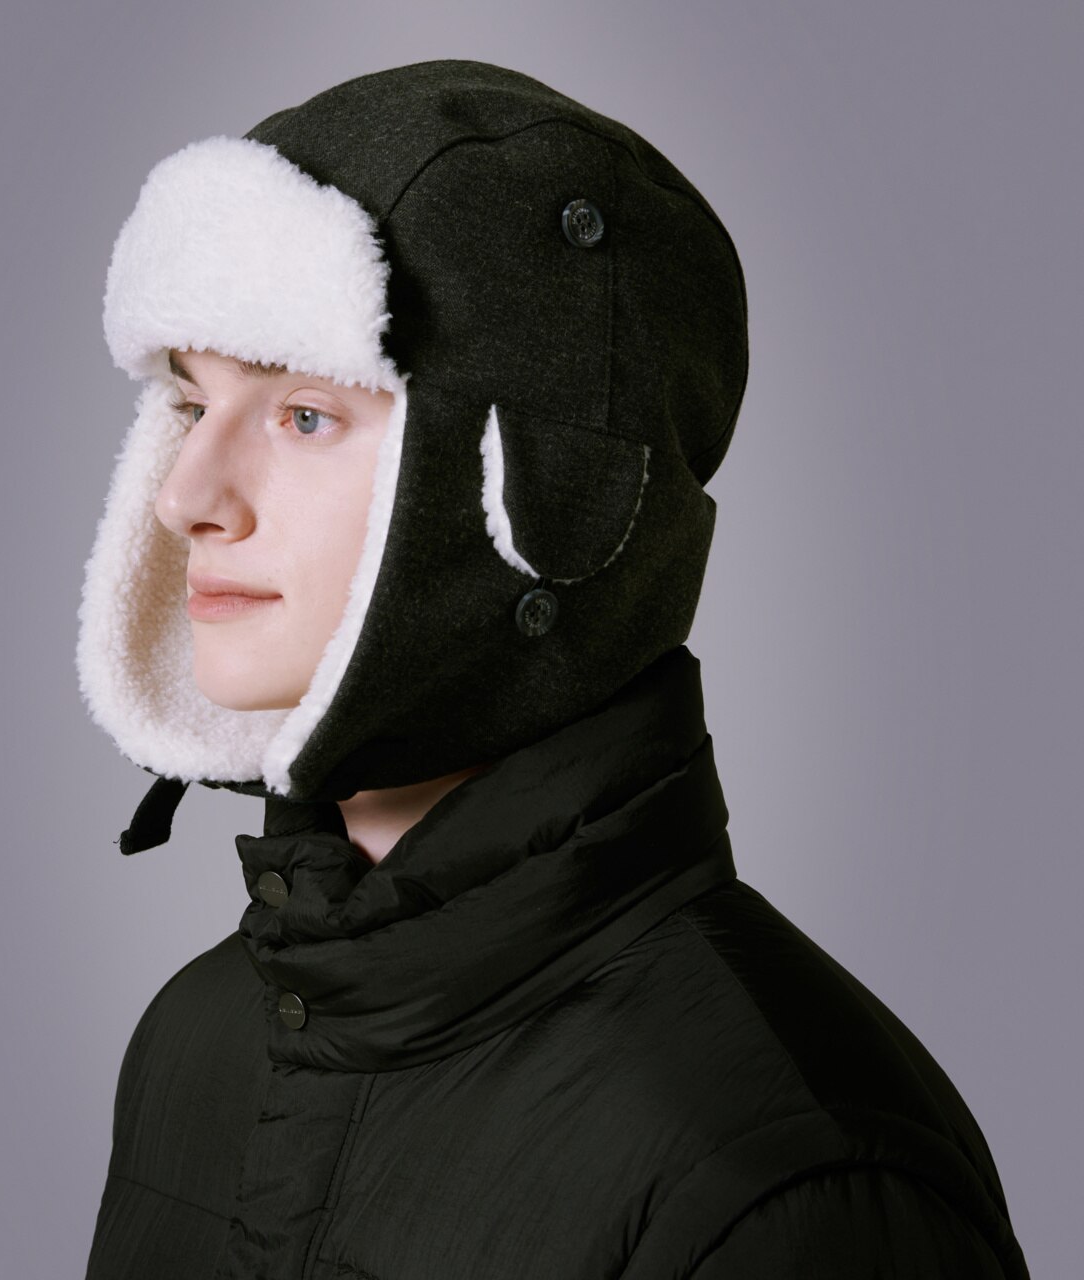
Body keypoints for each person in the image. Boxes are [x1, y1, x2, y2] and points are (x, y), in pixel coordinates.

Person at [76, 60, 1030, 1278]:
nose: (185, 496)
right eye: (188, 402)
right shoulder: (197, 1040)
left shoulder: (784, 1169)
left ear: (545, 500)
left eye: (304, 414)